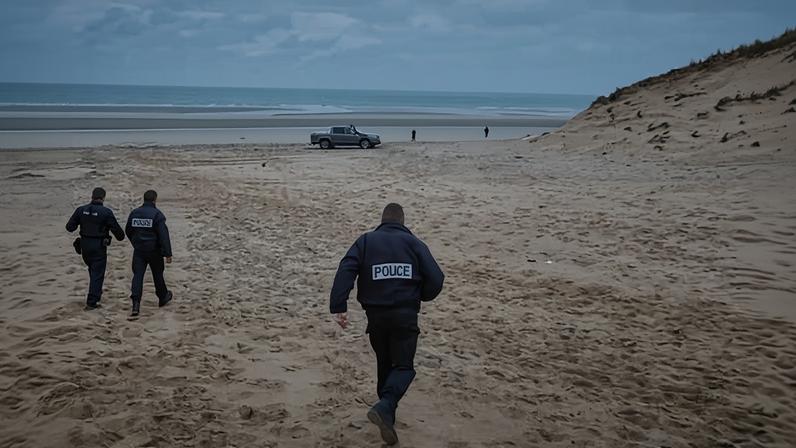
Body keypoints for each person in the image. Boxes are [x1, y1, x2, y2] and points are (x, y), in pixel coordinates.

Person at [330, 203, 444, 445]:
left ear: (382, 221)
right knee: (404, 367)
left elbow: (346, 268)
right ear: (402, 222)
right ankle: (386, 406)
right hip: (404, 315)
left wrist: (338, 305)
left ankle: (386, 413)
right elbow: (436, 278)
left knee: (384, 364)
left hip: (376, 317)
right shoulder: (414, 244)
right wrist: (420, 295)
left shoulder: (366, 241)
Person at [65, 187, 125, 310]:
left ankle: (96, 292)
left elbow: (70, 227)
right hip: (98, 245)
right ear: (103, 198)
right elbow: (119, 234)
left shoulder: (81, 210)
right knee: (97, 273)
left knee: (93, 270)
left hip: (85, 246)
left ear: (92, 196)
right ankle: (92, 302)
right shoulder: (106, 212)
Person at [125, 189, 173, 317]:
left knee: (138, 276)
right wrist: (168, 253)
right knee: (158, 275)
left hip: (139, 250)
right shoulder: (157, 215)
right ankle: (163, 297)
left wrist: (135, 243)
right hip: (154, 251)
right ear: (155, 200)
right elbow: (164, 236)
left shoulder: (134, 213)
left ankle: (135, 304)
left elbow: (128, 230)